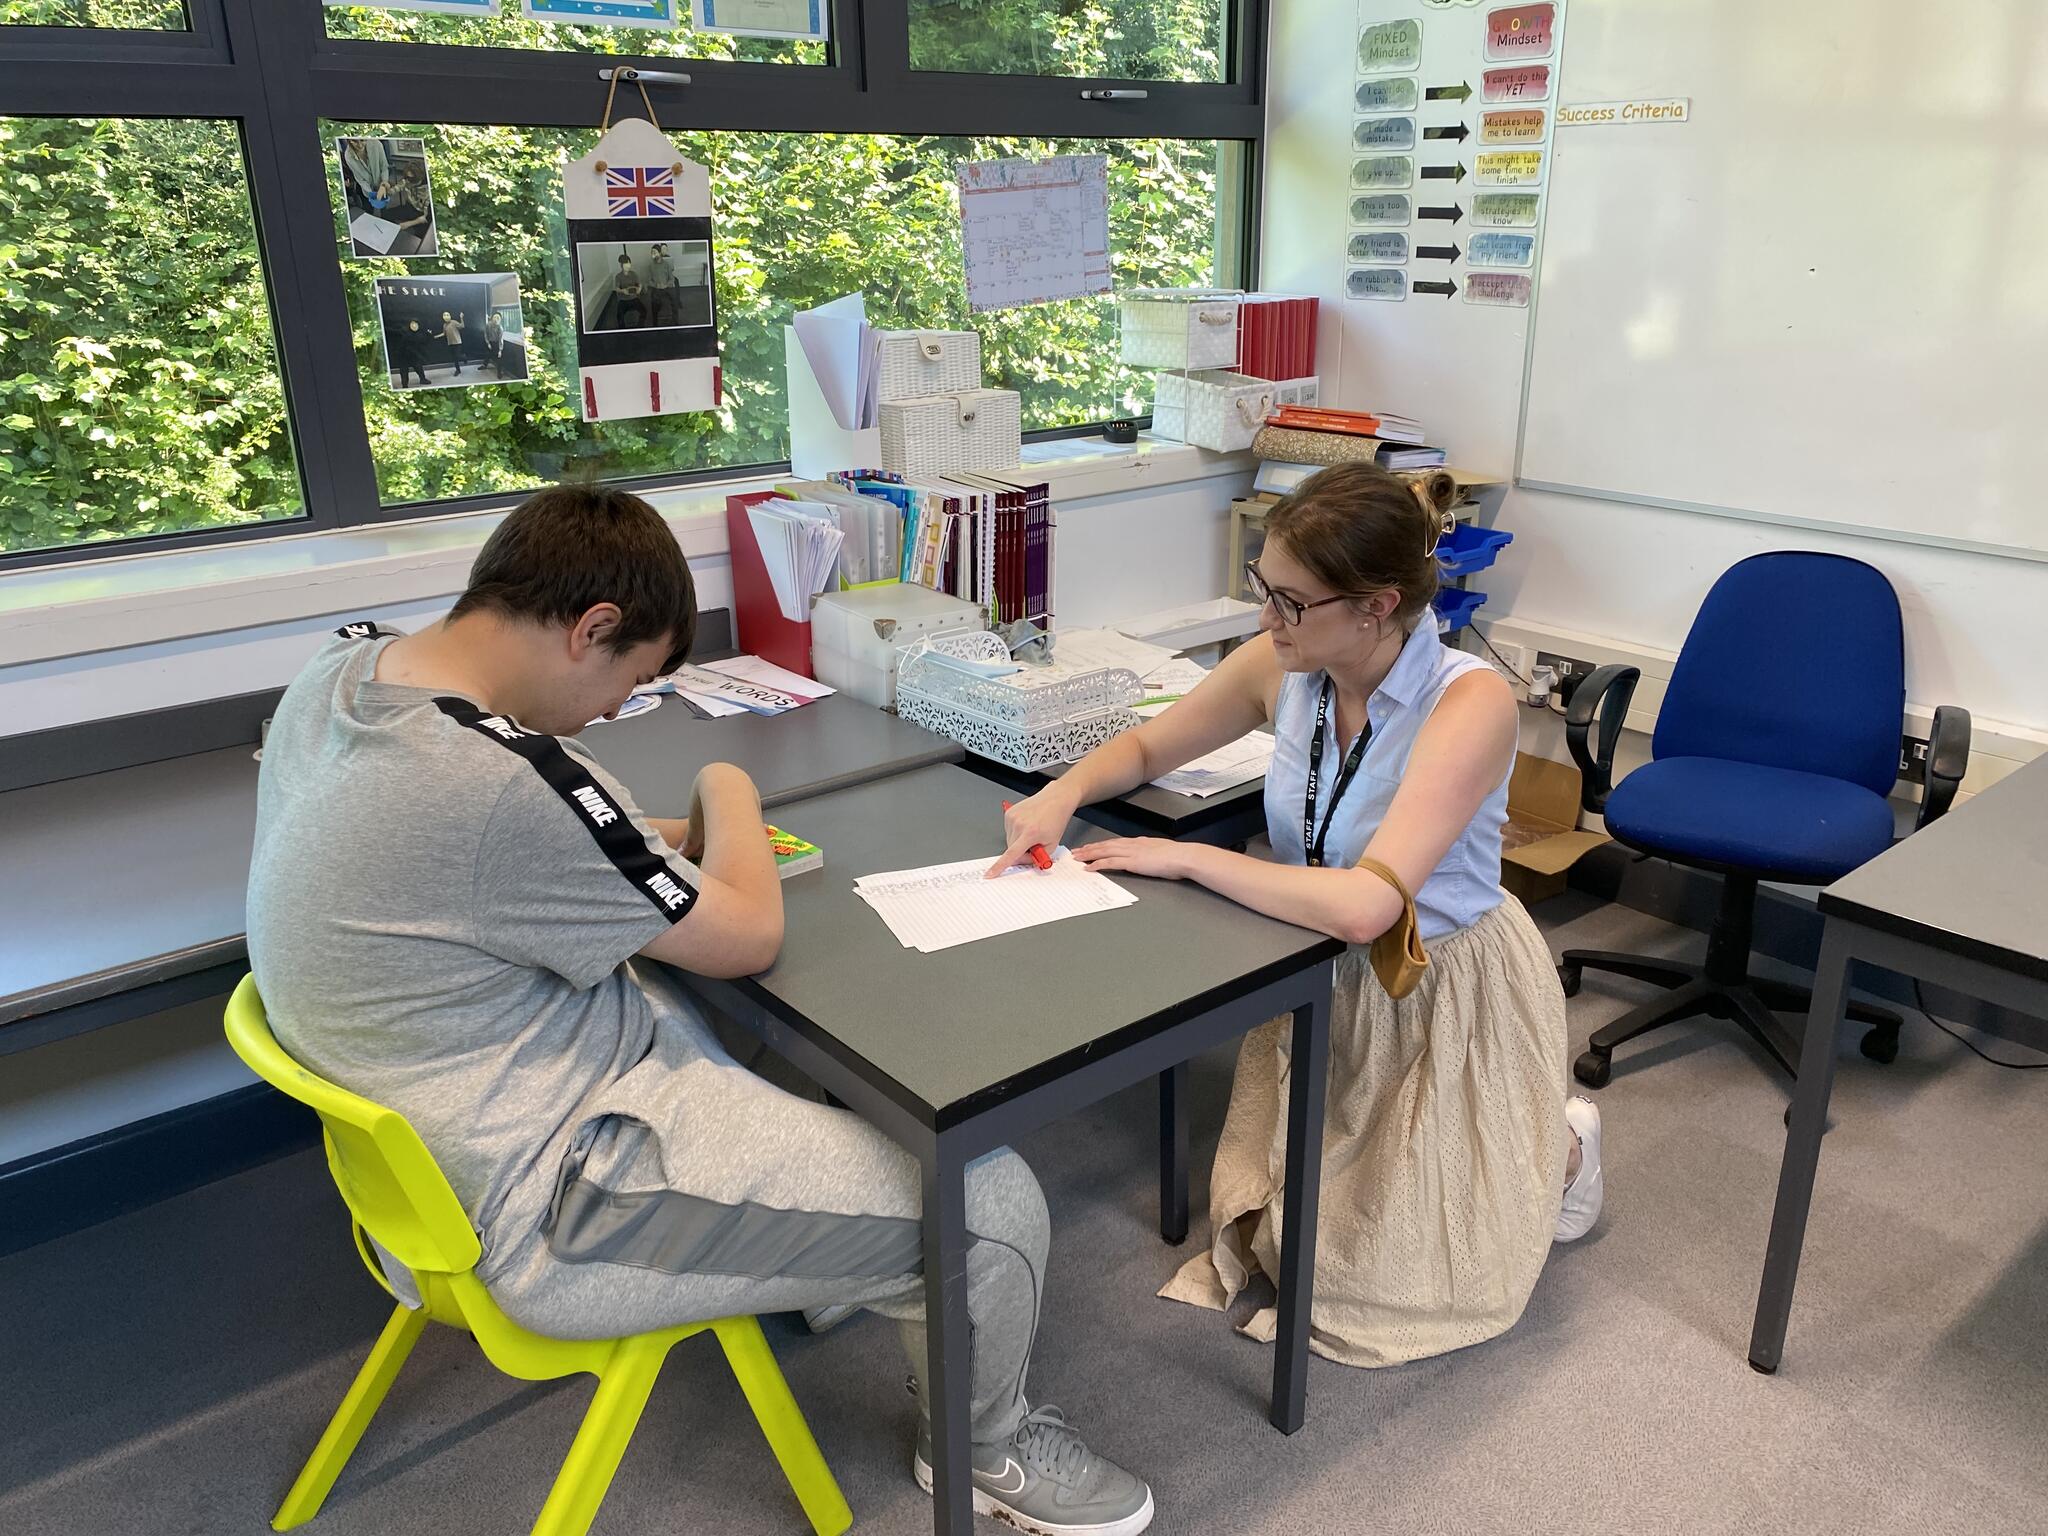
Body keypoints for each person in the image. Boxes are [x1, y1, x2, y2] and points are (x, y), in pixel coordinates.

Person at [245, 485, 1156, 1536]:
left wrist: (638, 836)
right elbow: (743, 934)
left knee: (767, 1044)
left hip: (431, 1151)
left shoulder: (346, 673)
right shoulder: (502, 781)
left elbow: (573, 836)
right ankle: (984, 1454)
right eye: (629, 685)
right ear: (591, 628)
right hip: (551, 1196)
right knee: (987, 1202)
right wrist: (731, 788)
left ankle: (823, 1261)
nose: (608, 715)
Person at [995, 463, 1606, 1369]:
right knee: (1304, 1236)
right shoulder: (1287, 665)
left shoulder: (1467, 701)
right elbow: (1148, 744)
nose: (1264, 622)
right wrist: (1063, 792)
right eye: (1262, 590)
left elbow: (1368, 904)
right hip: (1311, 957)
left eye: (1289, 602)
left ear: (1375, 606)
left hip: (1431, 975)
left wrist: (1191, 857)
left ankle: (1562, 1149)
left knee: (1384, 1284)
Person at [392, 318, 431, 389]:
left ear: (418, 325)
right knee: (404, 370)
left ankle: (423, 379)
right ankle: (405, 385)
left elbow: (425, 341)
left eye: (415, 324)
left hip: (414, 355)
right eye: (412, 324)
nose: (414, 326)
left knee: (418, 366)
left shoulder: (420, 334)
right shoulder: (404, 332)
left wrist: (428, 334)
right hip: (403, 354)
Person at [612, 252, 646, 328]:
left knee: (644, 311)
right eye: (625, 264)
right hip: (623, 300)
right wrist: (622, 290)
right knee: (619, 316)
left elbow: (639, 283)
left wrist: (639, 288)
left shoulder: (634, 274)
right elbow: (616, 288)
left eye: (629, 263)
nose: (628, 265)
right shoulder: (618, 276)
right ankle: (623, 332)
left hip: (634, 298)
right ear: (621, 265)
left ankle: (640, 327)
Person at [647, 243, 676, 327]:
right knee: (655, 304)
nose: (653, 254)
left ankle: (675, 322)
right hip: (656, 289)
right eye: (652, 252)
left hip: (666, 288)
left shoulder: (667, 264)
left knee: (674, 301)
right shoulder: (651, 266)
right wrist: (656, 285)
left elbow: (672, 279)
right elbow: (649, 281)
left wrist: (666, 284)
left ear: (660, 253)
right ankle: (655, 324)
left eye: (655, 252)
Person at [439, 310, 465, 375]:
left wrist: (461, 318)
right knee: (455, 358)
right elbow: (444, 333)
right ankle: (458, 370)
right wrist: (436, 336)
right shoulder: (444, 325)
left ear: (450, 316)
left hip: (457, 342)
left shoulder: (454, 322)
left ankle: (464, 357)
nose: (446, 316)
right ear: (443, 317)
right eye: (444, 315)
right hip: (450, 343)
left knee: (458, 356)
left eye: (447, 315)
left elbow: (462, 326)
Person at [483, 310, 505, 375]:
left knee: (499, 358)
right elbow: (485, 334)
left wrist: (500, 350)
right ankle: (484, 365)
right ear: (492, 318)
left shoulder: (500, 328)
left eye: (498, 318)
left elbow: (501, 339)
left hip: (497, 343)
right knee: (487, 354)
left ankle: (499, 372)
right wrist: (488, 343)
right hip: (489, 342)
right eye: (495, 317)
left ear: (500, 320)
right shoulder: (488, 325)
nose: (496, 319)